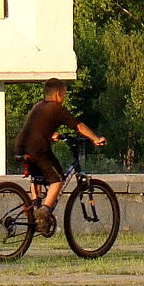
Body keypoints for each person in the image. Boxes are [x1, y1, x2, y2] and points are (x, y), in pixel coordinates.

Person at [15, 78, 106, 234]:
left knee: (38, 177)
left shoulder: (38, 106)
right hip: (38, 148)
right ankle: (44, 211)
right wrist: (95, 138)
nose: (63, 98)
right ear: (58, 94)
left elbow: (37, 127)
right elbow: (79, 126)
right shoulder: (57, 108)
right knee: (57, 179)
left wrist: (51, 134)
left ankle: (32, 207)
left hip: (21, 146)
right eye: (64, 94)